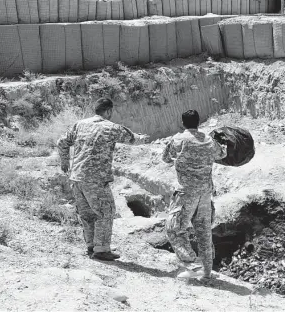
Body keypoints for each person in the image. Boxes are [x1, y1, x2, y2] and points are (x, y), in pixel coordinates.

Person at [57, 98, 151, 261]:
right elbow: (133, 139)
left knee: (87, 214)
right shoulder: (111, 127)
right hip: (95, 180)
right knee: (106, 211)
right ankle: (101, 249)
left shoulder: (80, 124)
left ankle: (92, 246)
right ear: (108, 111)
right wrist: (144, 138)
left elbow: (62, 142)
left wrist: (64, 161)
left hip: (76, 178)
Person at [161, 110, 227, 282]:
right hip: (205, 194)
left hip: (186, 194)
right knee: (204, 232)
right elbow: (222, 154)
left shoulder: (179, 139)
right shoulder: (209, 140)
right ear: (199, 123)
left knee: (174, 229)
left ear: (182, 123)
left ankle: (192, 265)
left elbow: (165, 158)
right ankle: (206, 273)